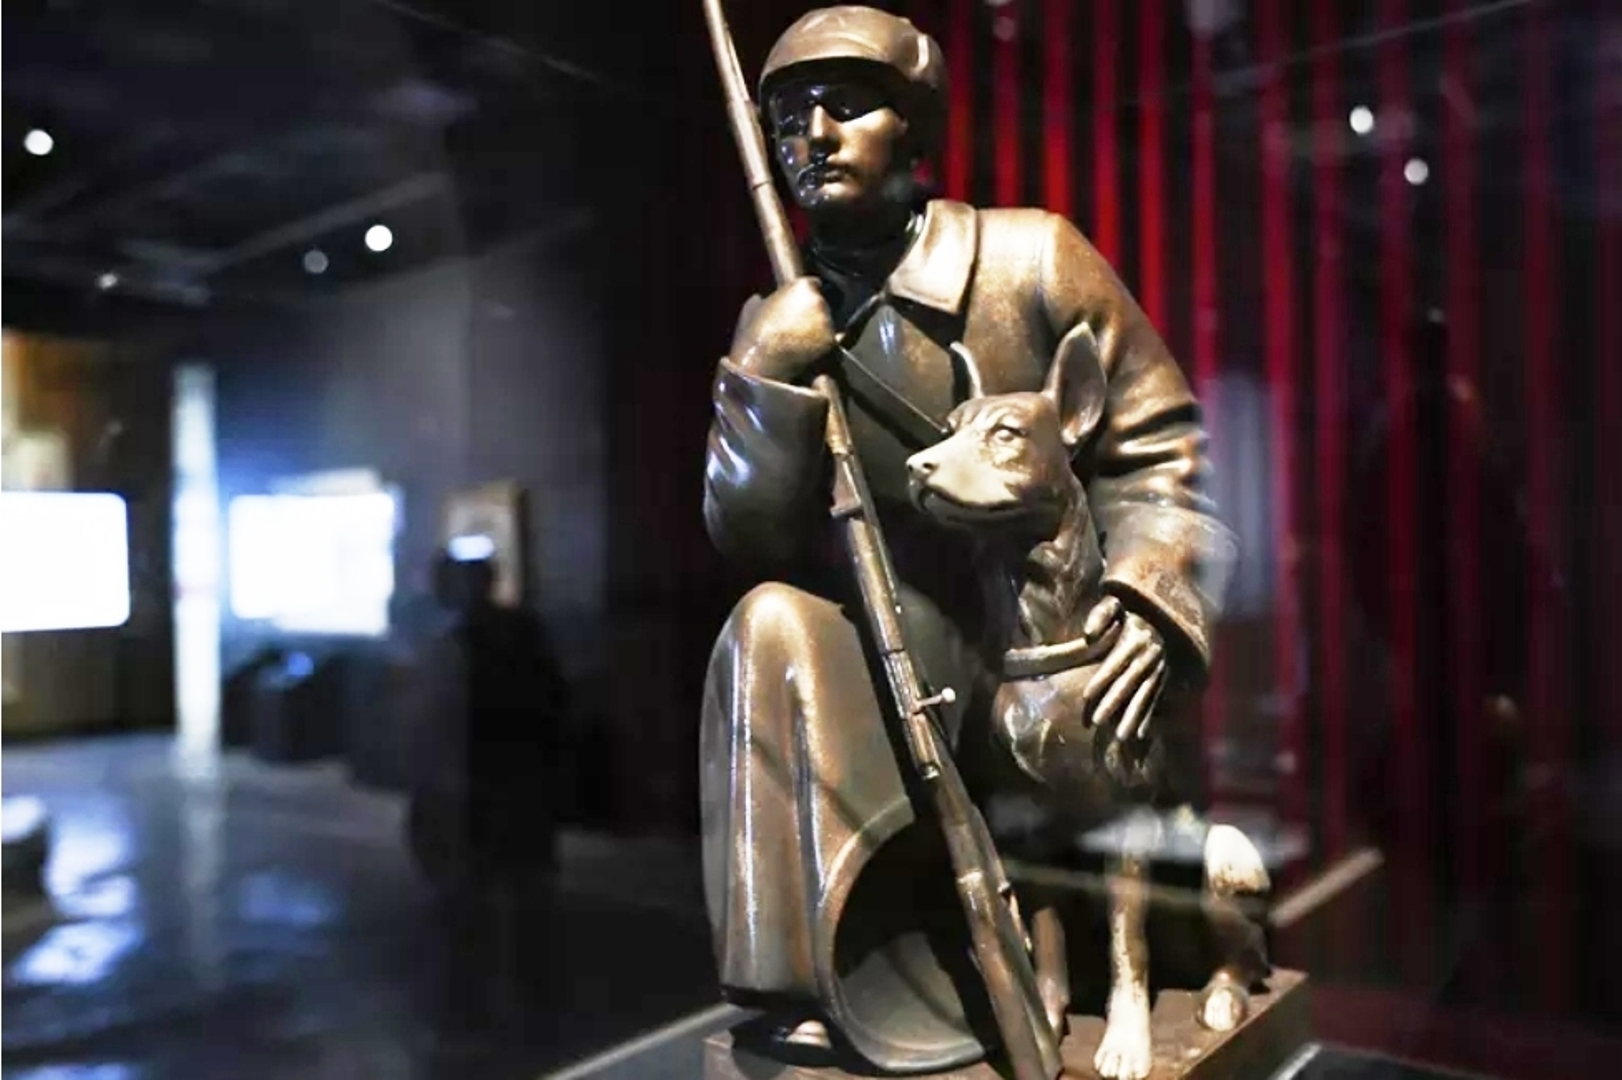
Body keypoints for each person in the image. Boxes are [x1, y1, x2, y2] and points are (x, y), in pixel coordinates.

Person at [700, 6, 1236, 1072]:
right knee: (769, 625)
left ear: (913, 125)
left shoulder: (1031, 259)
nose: (813, 136)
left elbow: (1163, 455)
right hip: (894, 654)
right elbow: (746, 536)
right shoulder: (778, 319)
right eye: (788, 118)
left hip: (1046, 643)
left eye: (846, 106)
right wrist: (763, 378)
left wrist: (1146, 595)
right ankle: (813, 981)